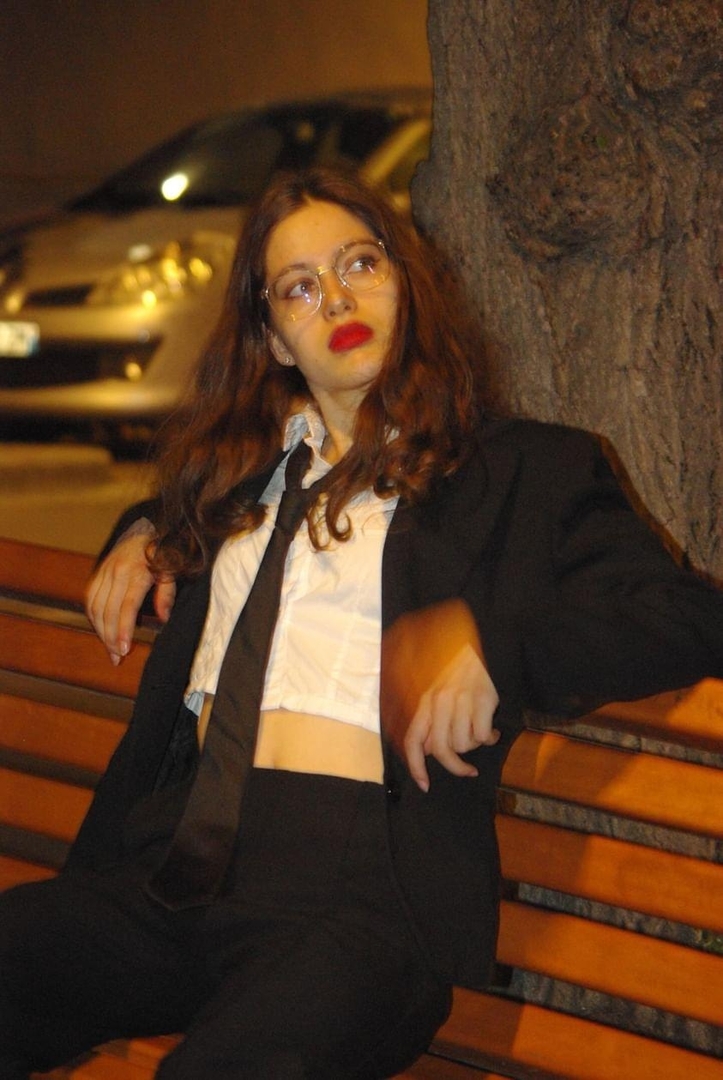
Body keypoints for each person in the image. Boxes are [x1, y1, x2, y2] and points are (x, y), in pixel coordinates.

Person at [2, 166, 723, 1080]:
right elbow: (177, 523)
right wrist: (142, 531)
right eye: (300, 287)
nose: (337, 298)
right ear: (273, 337)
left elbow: (687, 613)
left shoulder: (523, 471)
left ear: (404, 284)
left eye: (359, 264)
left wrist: (497, 652)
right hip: (172, 865)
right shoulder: (241, 479)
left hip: (361, 903)